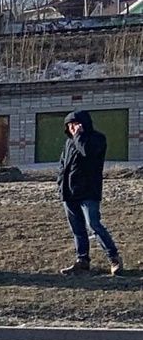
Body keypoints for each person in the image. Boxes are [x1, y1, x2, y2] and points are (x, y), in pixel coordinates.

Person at [57, 111, 123, 276]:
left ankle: (114, 257)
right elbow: (63, 165)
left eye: (75, 124)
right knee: (77, 229)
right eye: (70, 126)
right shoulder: (68, 142)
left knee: (94, 225)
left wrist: (79, 137)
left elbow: (87, 152)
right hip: (69, 193)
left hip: (88, 192)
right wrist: (60, 185)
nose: (72, 128)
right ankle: (82, 261)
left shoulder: (97, 139)